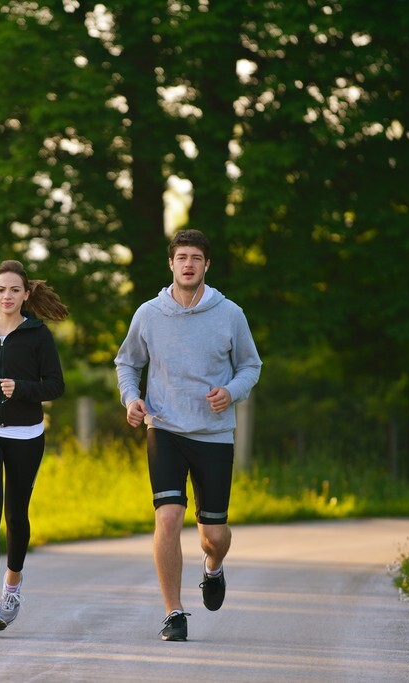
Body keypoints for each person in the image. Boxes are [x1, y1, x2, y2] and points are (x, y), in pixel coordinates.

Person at [114, 229, 262, 642]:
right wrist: (131, 398)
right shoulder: (149, 313)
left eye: (196, 257)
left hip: (214, 434)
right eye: (181, 257)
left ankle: (213, 568)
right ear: (171, 264)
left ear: (206, 265)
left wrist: (230, 391)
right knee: (168, 518)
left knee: (213, 534)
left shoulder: (229, 313)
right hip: (165, 429)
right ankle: (173, 613)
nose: (188, 264)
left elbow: (251, 366)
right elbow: (127, 362)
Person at [0, 259, 68, 632]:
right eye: (1, 289)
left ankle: (13, 585)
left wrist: (22, 389)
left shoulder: (38, 334)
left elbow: (55, 385)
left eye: (14, 290)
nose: (7, 296)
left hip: (25, 434)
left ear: (25, 294)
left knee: (16, 515)